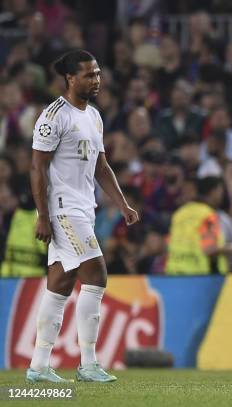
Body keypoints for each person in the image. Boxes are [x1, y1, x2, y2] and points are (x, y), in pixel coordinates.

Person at [27, 50, 140, 383]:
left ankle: (38, 366)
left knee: (60, 286)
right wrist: (43, 216)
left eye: (98, 73)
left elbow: (101, 167)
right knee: (97, 275)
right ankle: (88, 364)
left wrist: (122, 204)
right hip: (62, 208)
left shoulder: (93, 116)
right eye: (89, 75)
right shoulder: (53, 116)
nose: (96, 80)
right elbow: (37, 167)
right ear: (70, 78)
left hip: (83, 208)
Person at [165, 176, 230, 275]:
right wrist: (231, 249)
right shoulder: (207, 215)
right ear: (214, 191)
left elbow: (168, 242)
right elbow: (209, 249)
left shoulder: (179, 213)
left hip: (173, 273)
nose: (222, 195)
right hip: (199, 277)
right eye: (220, 191)